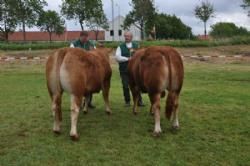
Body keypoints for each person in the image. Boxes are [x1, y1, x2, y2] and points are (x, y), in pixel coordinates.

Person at [115, 31, 144, 107]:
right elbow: (117, 57)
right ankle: (127, 101)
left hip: (135, 71)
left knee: (137, 86)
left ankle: (139, 101)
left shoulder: (136, 45)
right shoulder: (120, 46)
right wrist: (128, 59)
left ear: (131, 37)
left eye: (128, 36)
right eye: (125, 36)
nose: (126, 37)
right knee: (125, 86)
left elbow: (141, 56)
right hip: (124, 70)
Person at [70, 31, 96, 108]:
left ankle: (88, 102)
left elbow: (94, 53)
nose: (85, 39)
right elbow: (71, 55)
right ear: (80, 36)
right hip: (78, 68)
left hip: (88, 68)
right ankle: (78, 102)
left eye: (86, 37)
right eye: (84, 37)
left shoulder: (91, 44)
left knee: (90, 85)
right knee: (78, 86)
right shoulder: (74, 44)